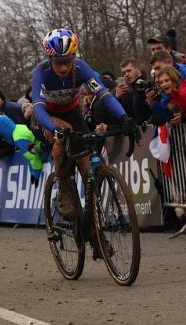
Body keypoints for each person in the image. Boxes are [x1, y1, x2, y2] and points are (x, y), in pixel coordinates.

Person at [31, 29, 136, 239]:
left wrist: (125, 118)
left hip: (72, 113)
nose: (63, 67)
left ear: (74, 57)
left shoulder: (81, 68)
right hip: (45, 117)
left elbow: (104, 95)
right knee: (64, 135)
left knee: (87, 166)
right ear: (50, 58)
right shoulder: (40, 73)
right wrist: (54, 129)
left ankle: (91, 225)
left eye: (68, 61)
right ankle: (62, 187)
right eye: (59, 62)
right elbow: (39, 109)